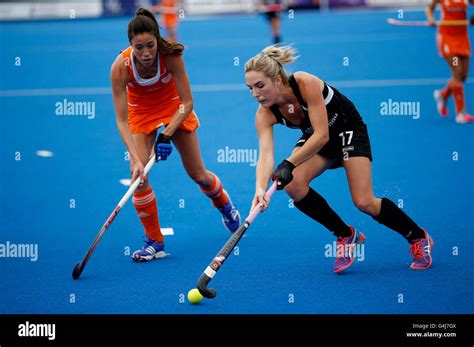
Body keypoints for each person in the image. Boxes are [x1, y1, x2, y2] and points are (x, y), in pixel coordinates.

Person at [244, 45, 434, 273]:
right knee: (293, 184)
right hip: (316, 138)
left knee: (364, 202)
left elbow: (322, 134)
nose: (255, 94)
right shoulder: (264, 113)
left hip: (346, 130)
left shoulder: (304, 83)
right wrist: (259, 188)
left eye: (260, 85)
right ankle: (345, 234)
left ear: (276, 79)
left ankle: (418, 237)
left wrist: (289, 163)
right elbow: (265, 154)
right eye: (250, 88)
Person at [110, 8, 240, 262]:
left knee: (198, 174)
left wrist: (167, 134)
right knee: (139, 176)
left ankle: (224, 204)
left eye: (150, 45)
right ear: (130, 46)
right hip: (141, 114)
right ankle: (155, 242)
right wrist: (135, 158)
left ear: (158, 39)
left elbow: (188, 102)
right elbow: (122, 119)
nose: (146, 53)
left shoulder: (170, 57)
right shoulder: (119, 68)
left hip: (174, 108)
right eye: (139, 47)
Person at [427, 0, 474, 123]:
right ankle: (461, 113)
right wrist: (431, 19)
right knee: (457, 71)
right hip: (448, 40)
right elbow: (429, 8)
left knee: (463, 75)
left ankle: (443, 95)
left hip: (462, 39)